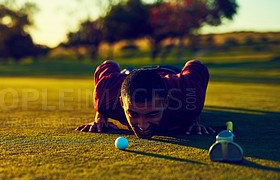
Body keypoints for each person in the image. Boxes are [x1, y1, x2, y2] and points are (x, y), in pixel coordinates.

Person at [76, 60, 215, 139]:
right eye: (133, 114)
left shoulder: (188, 94)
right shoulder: (106, 96)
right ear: (121, 104)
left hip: (170, 71)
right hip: (130, 74)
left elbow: (196, 65)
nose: (143, 126)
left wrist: (194, 116)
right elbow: (108, 64)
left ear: (166, 102)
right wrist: (101, 116)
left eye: (152, 114)